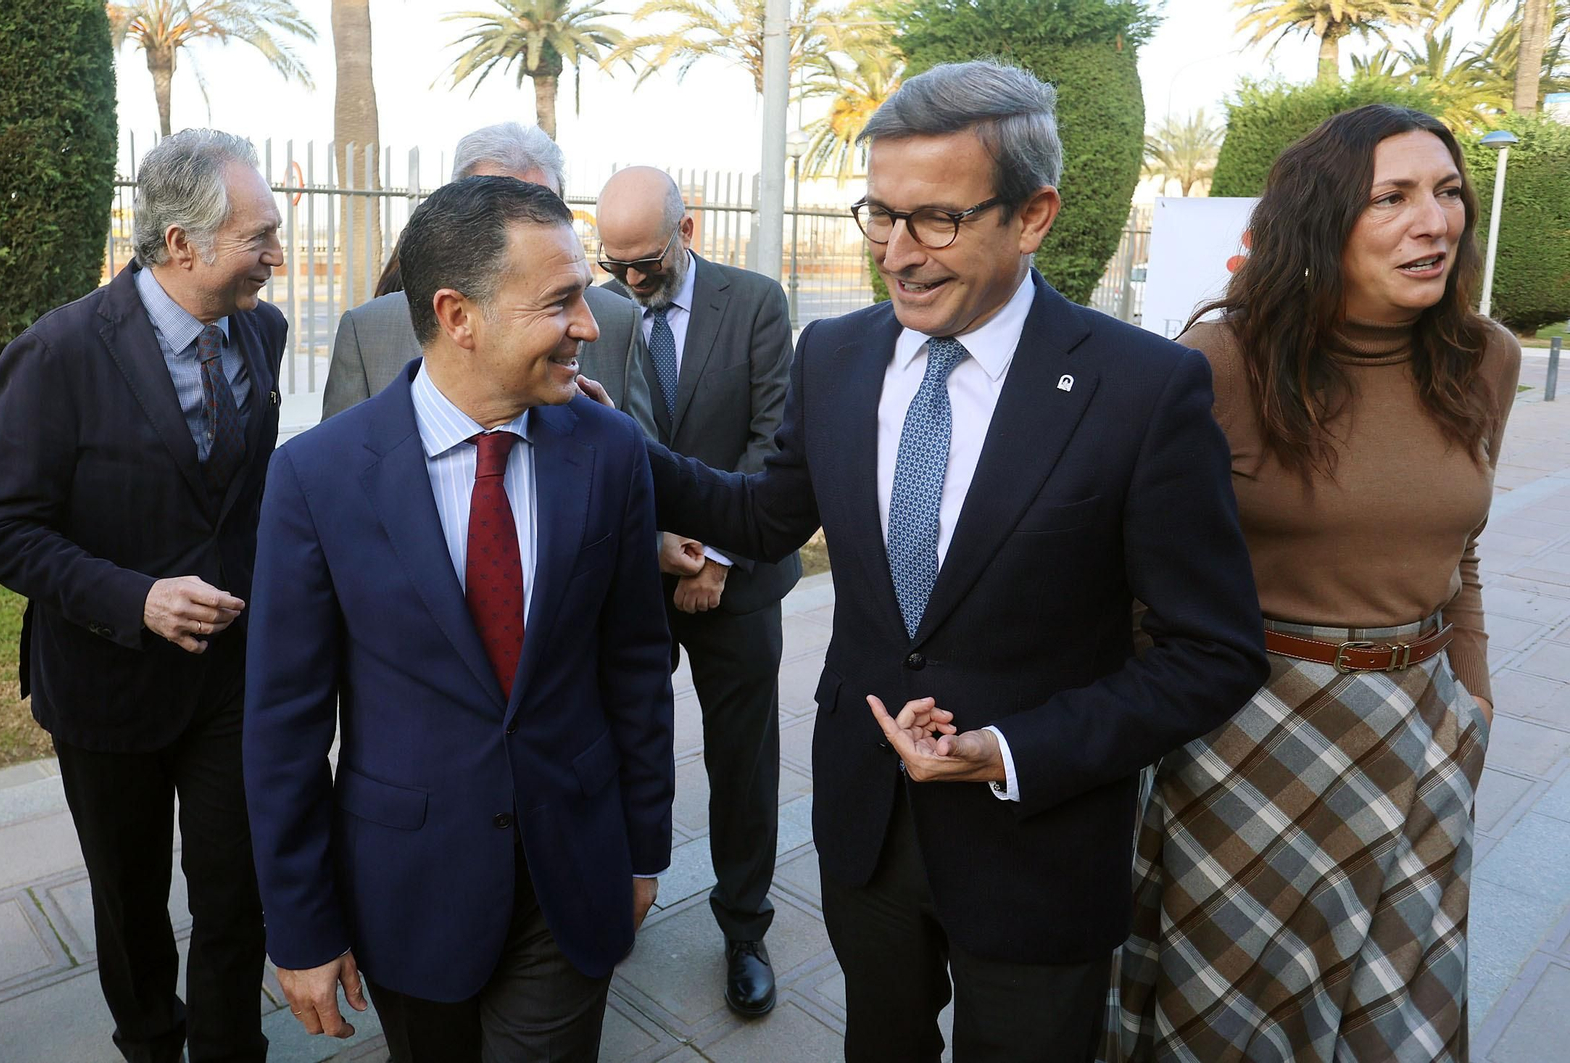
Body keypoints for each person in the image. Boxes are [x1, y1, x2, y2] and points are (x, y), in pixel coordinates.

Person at [586, 59, 1270, 1061]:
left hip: (1037, 841)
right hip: (867, 822)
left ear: (1032, 215)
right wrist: (624, 449)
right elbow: (768, 518)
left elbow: (1213, 652)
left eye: (935, 220)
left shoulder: (1142, 388)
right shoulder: (836, 355)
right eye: (879, 214)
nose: (895, 255)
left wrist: (1010, 749)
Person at [1107, 104, 1521, 1063]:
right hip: (1244, 738)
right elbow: (1138, 572)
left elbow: (1462, 554)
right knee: (1232, 1019)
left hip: (1419, 731)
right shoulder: (1221, 364)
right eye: (1394, 197)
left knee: (1399, 1014)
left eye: (1449, 192)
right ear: (1322, 221)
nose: (1437, 221)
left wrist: (1475, 701)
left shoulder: (1485, 360)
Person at [242, 175, 675, 1062]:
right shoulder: (318, 478)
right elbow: (284, 728)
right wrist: (301, 926)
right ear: (458, 313)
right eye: (560, 303)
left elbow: (636, 663)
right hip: (409, 888)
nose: (589, 325)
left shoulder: (610, 451)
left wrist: (642, 851)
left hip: (574, 873)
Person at [0, 129, 285, 1063]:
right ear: (182, 244)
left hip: (232, 681)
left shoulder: (262, 332)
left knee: (236, 889)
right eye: (260, 236)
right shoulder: (59, 353)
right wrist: (135, 597)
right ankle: (151, 1043)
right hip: (107, 684)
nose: (277, 255)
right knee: (131, 898)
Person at [594, 166, 801, 1015]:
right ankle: (615, 898)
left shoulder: (754, 301)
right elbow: (588, 439)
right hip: (632, 573)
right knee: (615, 745)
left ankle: (745, 926)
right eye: (617, 264)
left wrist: (716, 553)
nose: (631, 281)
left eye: (645, 262)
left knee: (742, 763)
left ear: (690, 226)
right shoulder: (599, 310)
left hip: (737, 577)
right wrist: (655, 550)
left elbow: (774, 437)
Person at [320, 121, 655, 436]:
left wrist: (613, 443)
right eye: (494, 211)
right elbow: (340, 474)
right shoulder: (370, 332)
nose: (524, 225)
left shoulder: (616, 323)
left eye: (541, 208)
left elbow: (652, 484)